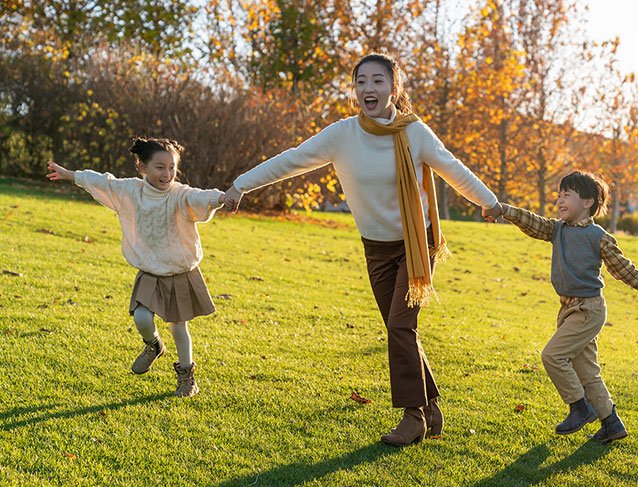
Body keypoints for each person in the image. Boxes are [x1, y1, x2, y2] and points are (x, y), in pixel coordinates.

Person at [224, 53, 504, 445]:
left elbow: (452, 167)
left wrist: (489, 201)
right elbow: (290, 161)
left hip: (415, 243)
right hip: (376, 248)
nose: (368, 89)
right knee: (399, 329)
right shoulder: (341, 135)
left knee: (400, 325)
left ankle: (413, 418)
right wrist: (241, 184)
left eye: (377, 81)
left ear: (394, 87)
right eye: (361, 82)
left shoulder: (414, 132)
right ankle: (429, 404)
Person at [499, 170, 638, 443]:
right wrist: (504, 209)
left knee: (553, 356)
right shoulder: (556, 229)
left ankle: (580, 407)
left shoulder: (597, 236)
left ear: (588, 201)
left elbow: (622, 268)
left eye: (567, 194)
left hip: (589, 310)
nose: (560, 200)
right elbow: (531, 222)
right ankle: (612, 423)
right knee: (587, 371)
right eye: (558, 195)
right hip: (568, 309)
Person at [46, 137, 226, 397]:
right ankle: (153, 345)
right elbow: (103, 182)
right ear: (142, 167)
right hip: (150, 271)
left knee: (178, 327)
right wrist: (71, 175)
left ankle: (187, 378)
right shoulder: (132, 190)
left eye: (172, 167)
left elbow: (199, 196)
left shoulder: (179, 194)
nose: (167, 174)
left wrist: (220, 198)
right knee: (141, 317)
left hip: (179, 271)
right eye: (160, 167)